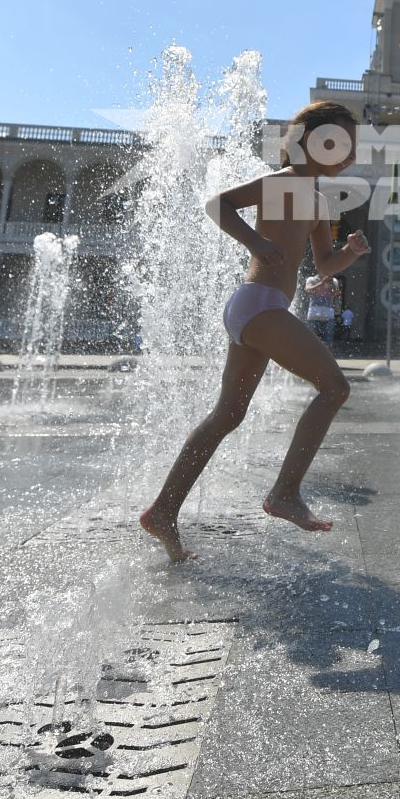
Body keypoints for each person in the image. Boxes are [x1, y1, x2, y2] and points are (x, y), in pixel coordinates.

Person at [138, 101, 372, 562]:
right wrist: (254, 241)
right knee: (334, 387)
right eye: (335, 142)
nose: (345, 153)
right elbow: (217, 204)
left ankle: (163, 510)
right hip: (257, 303)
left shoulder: (319, 201)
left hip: (261, 309)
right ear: (305, 140)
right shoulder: (280, 182)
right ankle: (285, 493)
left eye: (351, 145)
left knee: (228, 415)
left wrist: (349, 253)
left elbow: (323, 266)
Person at [305, 278, 337, 346]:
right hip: (313, 315)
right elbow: (308, 290)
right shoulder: (312, 279)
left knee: (328, 342)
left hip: (328, 315)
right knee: (311, 341)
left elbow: (335, 293)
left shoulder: (333, 280)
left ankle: (327, 355)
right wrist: (321, 283)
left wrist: (331, 283)